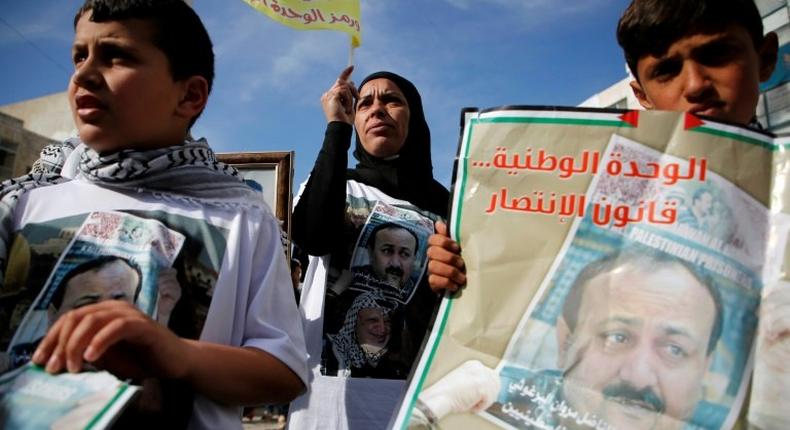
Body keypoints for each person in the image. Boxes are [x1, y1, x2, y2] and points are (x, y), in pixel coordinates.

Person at [0, 1, 307, 428]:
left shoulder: (243, 217)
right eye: (79, 56)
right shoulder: (24, 206)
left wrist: (177, 354)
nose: (83, 75)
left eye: (116, 56)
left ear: (190, 95)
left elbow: (283, 372)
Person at [426, 0, 780, 293]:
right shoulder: (595, 195)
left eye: (717, 55)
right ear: (641, 94)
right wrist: (465, 266)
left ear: (765, 58)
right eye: (666, 71)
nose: (695, 84)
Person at [288, 67, 449, 429]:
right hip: (328, 407)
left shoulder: (447, 206)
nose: (377, 110)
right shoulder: (334, 188)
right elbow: (313, 236)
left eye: (392, 100)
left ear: (415, 117)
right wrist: (336, 127)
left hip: (420, 403)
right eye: (364, 104)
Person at [418, 250, 724, 430]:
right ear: (566, 342)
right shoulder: (495, 401)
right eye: (617, 337)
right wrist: (426, 411)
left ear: (705, 369)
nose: (639, 376)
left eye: (674, 349)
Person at [352, 222, 419, 294]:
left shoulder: (422, 290)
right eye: (387, 251)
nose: (395, 264)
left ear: (413, 259)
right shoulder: (352, 277)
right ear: (371, 252)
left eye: (405, 254)